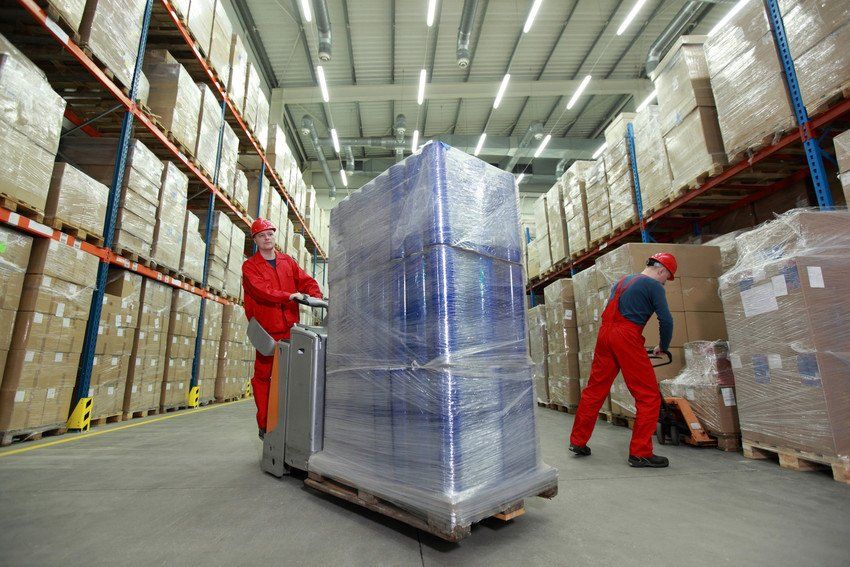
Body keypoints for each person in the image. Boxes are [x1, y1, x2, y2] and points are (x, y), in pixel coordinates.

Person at [568, 252, 677, 468]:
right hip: (627, 336)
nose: (666, 281)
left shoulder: (621, 281)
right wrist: (662, 347)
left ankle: (577, 441)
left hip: (605, 334)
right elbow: (666, 320)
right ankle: (640, 453)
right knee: (648, 396)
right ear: (661, 270)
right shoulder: (654, 286)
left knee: (595, 389)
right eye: (668, 277)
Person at [242, 218, 323, 439]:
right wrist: (289, 295)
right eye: (261, 235)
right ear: (255, 240)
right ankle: (265, 423)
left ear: (274, 236)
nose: (266, 238)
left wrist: (315, 296)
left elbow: (305, 281)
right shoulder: (250, 266)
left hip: (290, 328)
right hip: (267, 331)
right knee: (264, 378)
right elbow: (262, 291)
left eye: (269, 234)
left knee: (294, 376)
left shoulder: (287, 261)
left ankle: (291, 424)